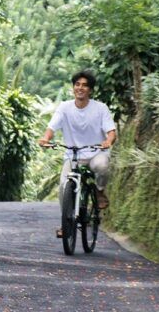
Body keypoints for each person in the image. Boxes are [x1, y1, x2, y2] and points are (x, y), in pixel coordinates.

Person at [38, 70, 116, 237]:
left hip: (96, 153)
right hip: (73, 156)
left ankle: (99, 191)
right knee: (63, 186)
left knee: (102, 166)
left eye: (85, 85)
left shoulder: (100, 108)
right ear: (73, 87)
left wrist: (108, 141)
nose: (80, 88)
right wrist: (45, 139)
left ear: (90, 90)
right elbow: (51, 128)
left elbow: (111, 131)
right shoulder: (65, 108)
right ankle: (66, 224)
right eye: (77, 84)